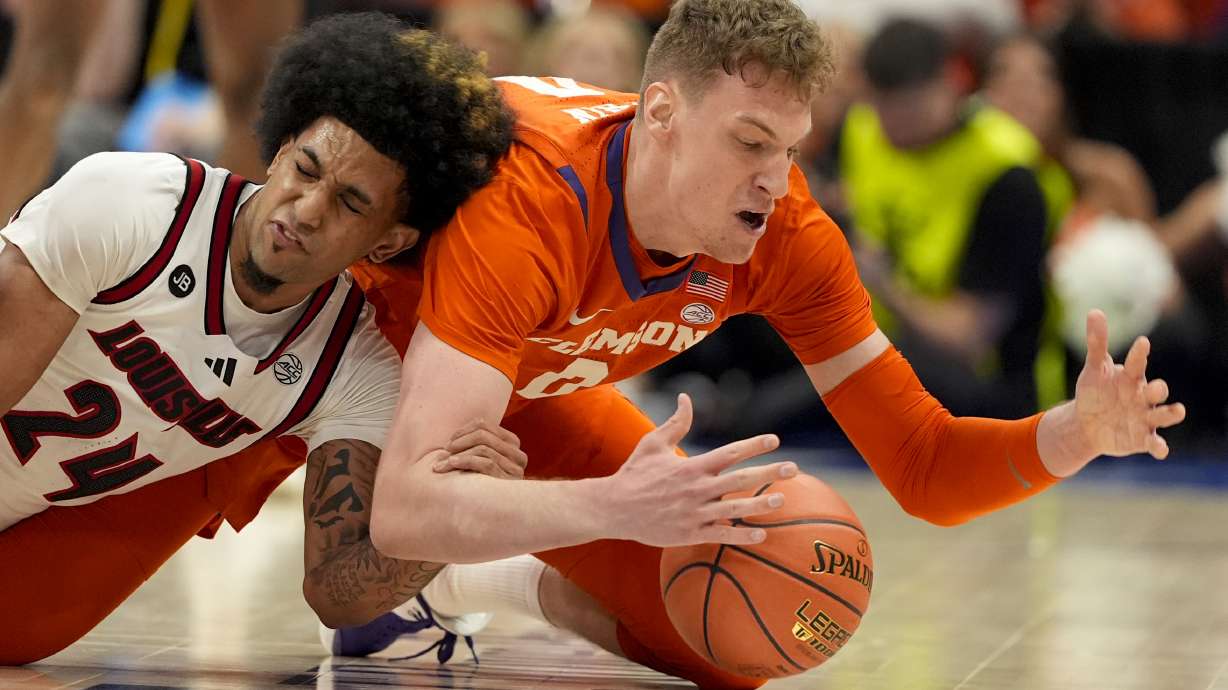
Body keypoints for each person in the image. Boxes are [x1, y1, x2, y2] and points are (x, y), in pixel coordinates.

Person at [306, 1, 1183, 688]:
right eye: (751, 142)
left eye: (793, 148)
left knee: (733, 643)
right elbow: (411, 508)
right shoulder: (535, 202)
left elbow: (923, 465)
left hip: (516, 381)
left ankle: (460, 591)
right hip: (318, 333)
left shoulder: (788, 231)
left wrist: (1070, 436)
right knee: (338, 573)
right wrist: (611, 505)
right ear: (660, 114)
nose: (775, 178)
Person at [0, 12, 516, 664]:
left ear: (389, 241)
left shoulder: (355, 363)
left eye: (351, 203)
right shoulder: (131, 203)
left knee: (19, 638)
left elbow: (336, 594)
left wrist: (461, 516)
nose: (305, 209)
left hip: (31, 527)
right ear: (278, 151)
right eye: (305, 168)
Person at [838, 18, 1068, 417]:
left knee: (861, 370)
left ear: (951, 82)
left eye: (909, 108)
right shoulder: (863, 128)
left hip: (989, 385)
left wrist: (881, 280)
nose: (893, 125)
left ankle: (737, 413)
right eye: (882, 106)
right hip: (877, 342)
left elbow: (969, 337)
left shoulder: (1007, 170)